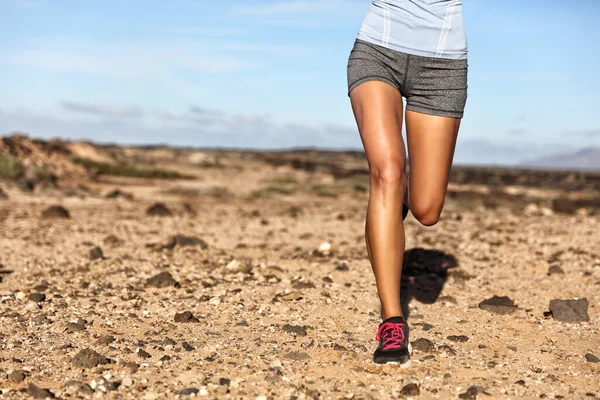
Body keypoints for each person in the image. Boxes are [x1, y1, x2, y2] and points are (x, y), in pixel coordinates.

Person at [346, 0, 468, 366]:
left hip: (443, 66)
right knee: (387, 171)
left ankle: (393, 200)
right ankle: (392, 322)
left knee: (426, 210)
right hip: (376, 50)